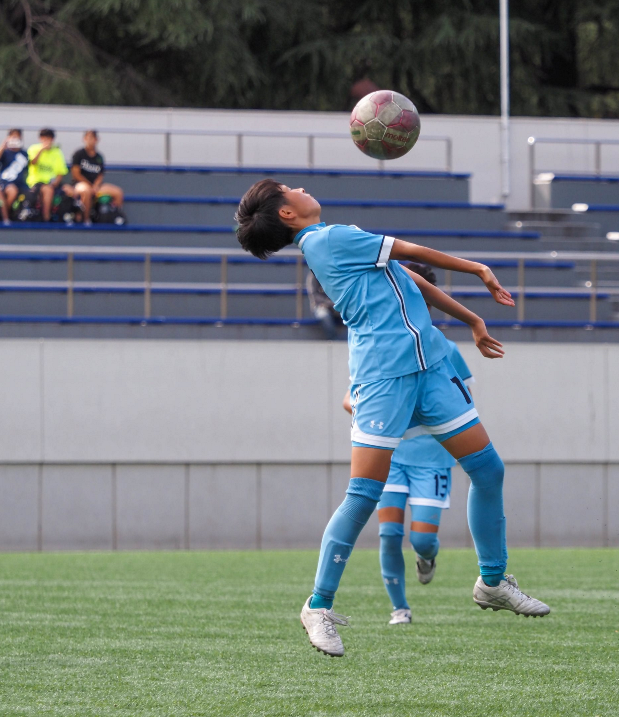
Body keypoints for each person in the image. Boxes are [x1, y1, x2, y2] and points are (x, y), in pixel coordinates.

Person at [235, 180, 549, 658]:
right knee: (363, 494)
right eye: (288, 189)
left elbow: (411, 279)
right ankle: (317, 606)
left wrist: (472, 320)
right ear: (286, 214)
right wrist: (479, 269)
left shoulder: (335, 241)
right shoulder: (328, 238)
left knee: (488, 470)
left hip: (430, 370)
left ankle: (492, 582)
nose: (299, 188)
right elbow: (413, 251)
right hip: (384, 378)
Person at [340, 262, 473, 626]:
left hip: (431, 459)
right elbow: (350, 398)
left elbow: (462, 401)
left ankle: (427, 557)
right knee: (388, 533)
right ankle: (400, 608)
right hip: (392, 457)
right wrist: (378, 412)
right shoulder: (379, 345)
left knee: (422, 539)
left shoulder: (445, 348)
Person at [71, 130, 124, 222]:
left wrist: (95, 185)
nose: (90, 140)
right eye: (88, 138)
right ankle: (86, 220)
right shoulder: (79, 154)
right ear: (84, 139)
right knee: (86, 191)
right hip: (81, 184)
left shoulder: (99, 157)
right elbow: (76, 174)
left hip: (96, 186)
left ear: (97, 140)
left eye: (93, 138)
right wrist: (89, 185)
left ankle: (115, 217)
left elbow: (100, 174)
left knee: (118, 192)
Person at [27, 128, 71, 221]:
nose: (47, 141)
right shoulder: (33, 149)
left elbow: (60, 173)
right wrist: (41, 150)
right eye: (44, 138)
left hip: (53, 183)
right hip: (37, 183)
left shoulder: (57, 152)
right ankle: (46, 218)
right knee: (48, 190)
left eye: (49, 138)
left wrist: (55, 183)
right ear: (40, 139)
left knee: (70, 191)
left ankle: (72, 219)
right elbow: (32, 163)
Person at [0, 128, 30, 213]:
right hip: (6, 183)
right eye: (13, 136)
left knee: (31, 193)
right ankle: (5, 214)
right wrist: (3, 145)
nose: (15, 139)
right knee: (12, 192)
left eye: (17, 137)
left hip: (20, 183)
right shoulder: (5, 152)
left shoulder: (24, 154)